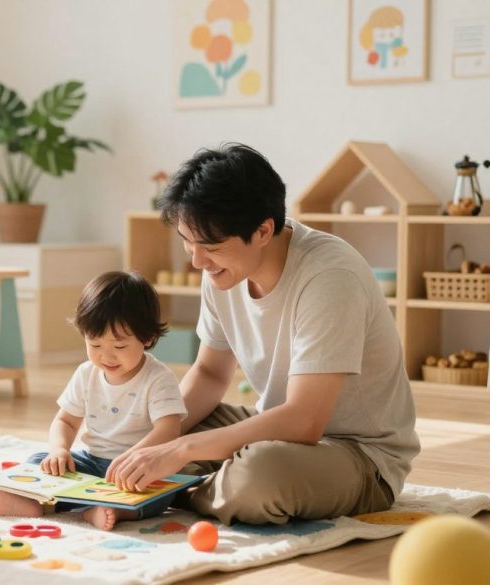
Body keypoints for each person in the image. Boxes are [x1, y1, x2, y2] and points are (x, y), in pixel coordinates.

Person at [110, 143, 420, 525]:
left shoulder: (329, 277)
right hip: (277, 429)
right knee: (156, 421)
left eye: (210, 247)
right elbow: (209, 374)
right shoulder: (220, 269)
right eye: (187, 243)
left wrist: (180, 449)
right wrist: (155, 440)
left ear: (262, 230)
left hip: (358, 454)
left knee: (258, 476)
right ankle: (184, 485)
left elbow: (305, 420)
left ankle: (179, 490)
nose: (197, 261)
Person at [0, 271, 187, 531]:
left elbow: (169, 430)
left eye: (119, 347)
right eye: (95, 344)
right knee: (40, 460)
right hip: (91, 461)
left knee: (163, 493)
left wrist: (134, 458)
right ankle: (34, 501)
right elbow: (66, 421)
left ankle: (112, 510)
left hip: (137, 468)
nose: (106, 357)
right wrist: (59, 450)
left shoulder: (158, 378)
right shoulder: (86, 374)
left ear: (147, 338)